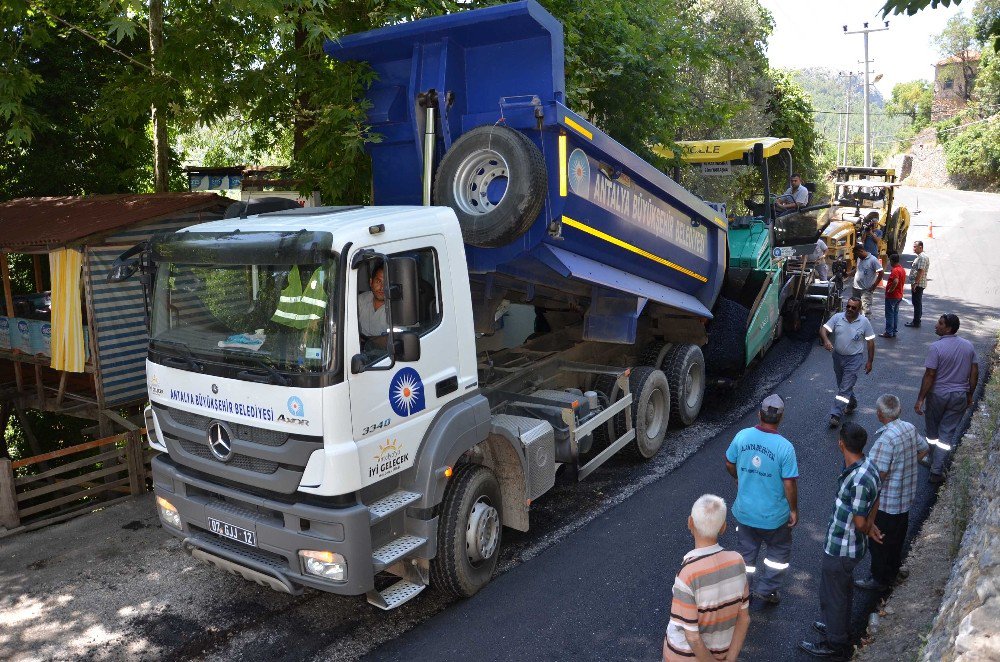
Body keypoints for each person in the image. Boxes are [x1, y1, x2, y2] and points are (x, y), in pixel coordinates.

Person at [799, 422, 883, 661]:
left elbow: (860, 523)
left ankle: (835, 642)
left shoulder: (857, 479)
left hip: (842, 547)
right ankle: (837, 627)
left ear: (841, 444)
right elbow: (874, 500)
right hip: (849, 546)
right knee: (841, 590)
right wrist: (871, 523)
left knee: (833, 593)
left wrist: (869, 526)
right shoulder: (868, 466)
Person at [724, 394, 798, 605]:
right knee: (778, 552)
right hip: (774, 517)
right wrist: (794, 510)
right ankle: (767, 589)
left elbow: (729, 463)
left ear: (759, 414)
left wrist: (738, 477)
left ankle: (742, 592)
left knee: (746, 555)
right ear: (780, 418)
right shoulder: (785, 447)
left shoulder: (742, 437)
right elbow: (789, 483)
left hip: (745, 512)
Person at [855, 394, 929, 591]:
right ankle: (894, 571)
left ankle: (880, 579)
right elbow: (924, 449)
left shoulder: (885, 441)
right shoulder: (909, 428)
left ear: (880, 414)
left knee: (879, 542)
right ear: (899, 411)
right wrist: (908, 465)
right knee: (897, 539)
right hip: (905, 498)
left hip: (887, 503)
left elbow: (877, 477)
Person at [664, 495, 750, 662]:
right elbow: (744, 618)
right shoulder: (737, 561)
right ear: (723, 527)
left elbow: (693, 637)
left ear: (690, 523)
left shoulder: (687, 575)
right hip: (722, 653)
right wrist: (731, 659)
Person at [915, 314, 979, 484]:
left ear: (948, 328)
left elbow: (930, 374)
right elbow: (974, 373)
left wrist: (920, 398)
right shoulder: (968, 346)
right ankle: (937, 469)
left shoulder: (936, 348)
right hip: (959, 396)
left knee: (932, 431)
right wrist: (970, 394)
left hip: (937, 395)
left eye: (940, 323)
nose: (936, 325)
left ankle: (932, 460)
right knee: (947, 432)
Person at [820, 297, 877, 428]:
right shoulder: (838, 317)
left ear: (859, 309)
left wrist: (870, 361)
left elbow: (870, 341)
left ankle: (835, 414)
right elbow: (824, 329)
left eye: (853, 307)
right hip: (837, 357)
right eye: (848, 306)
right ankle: (852, 403)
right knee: (842, 384)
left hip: (854, 359)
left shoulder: (864, 322)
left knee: (845, 387)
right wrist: (826, 340)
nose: (850, 309)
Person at [851, 243, 883, 318]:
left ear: (861, 251)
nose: (857, 256)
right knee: (855, 309)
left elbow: (881, 272)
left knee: (865, 311)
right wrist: (847, 274)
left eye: (857, 254)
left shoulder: (873, 260)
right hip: (856, 289)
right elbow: (857, 270)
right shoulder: (859, 259)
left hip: (865, 290)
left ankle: (865, 328)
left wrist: (874, 286)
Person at [358, 264, 389, 338]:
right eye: (378, 282)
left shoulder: (399, 307)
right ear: (371, 282)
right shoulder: (360, 300)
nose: (382, 288)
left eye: (386, 283)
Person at [905, 240, 930, 328]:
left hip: (918, 284)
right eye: (913, 246)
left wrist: (915, 283)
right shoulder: (920, 256)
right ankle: (916, 320)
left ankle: (916, 322)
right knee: (917, 303)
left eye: (915, 247)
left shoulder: (922, 257)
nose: (913, 248)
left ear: (920, 247)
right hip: (917, 284)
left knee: (917, 303)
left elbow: (921, 271)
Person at [880, 253, 906, 338]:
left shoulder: (895, 270)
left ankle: (888, 332)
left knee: (889, 314)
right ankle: (893, 331)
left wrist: (890, 290)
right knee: (895, 313)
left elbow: (895, 281)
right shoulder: (902, 269)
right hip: (899, 295)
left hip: (892, 296)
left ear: (892, 261)